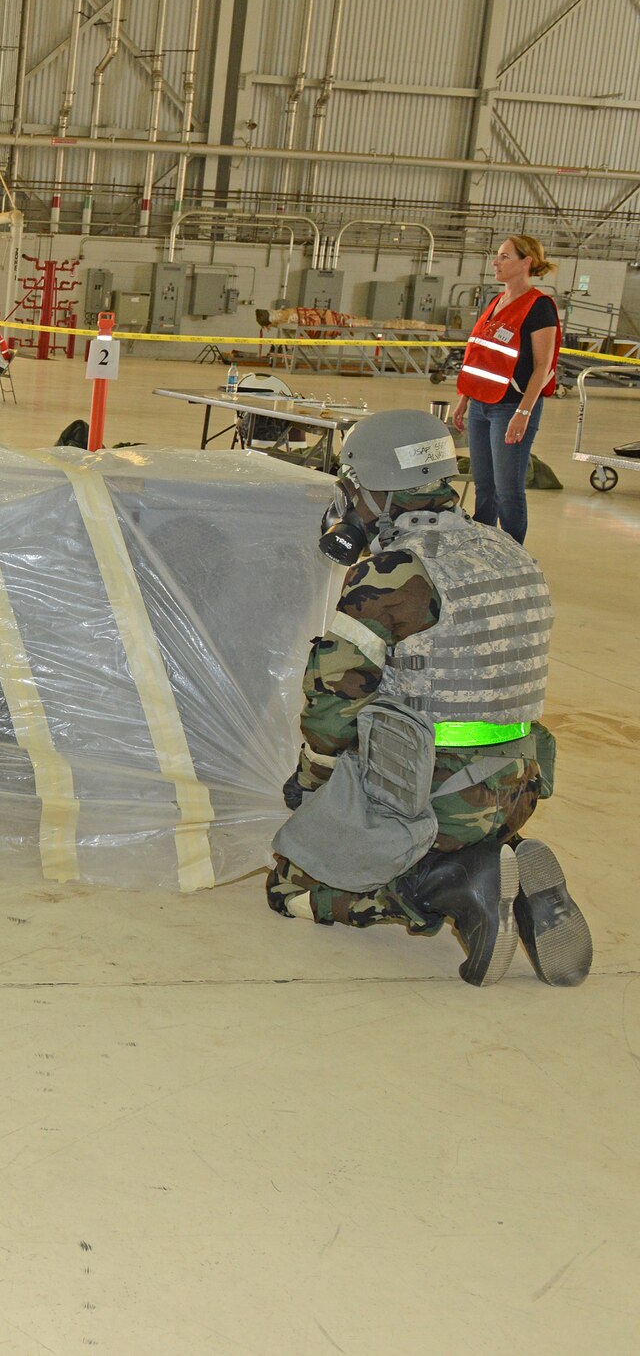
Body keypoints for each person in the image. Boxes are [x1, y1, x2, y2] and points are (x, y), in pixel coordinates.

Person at [266, 410, 588, 988]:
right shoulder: (509, 551)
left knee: (291, 886)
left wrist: (312, 788)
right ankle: (495, 852)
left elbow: (333, 706)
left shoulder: (393, 572)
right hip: (517, 783)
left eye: (354, 488)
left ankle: (450, 886)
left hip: (432, 793)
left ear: (377, 491)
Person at [450, 234, 559, 544]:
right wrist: (463, 401)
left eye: (504, 257)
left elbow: (543, 365)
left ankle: (513, 555)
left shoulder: (539, 307)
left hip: (511, 408)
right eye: (497, 256)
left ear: (527, 262)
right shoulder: (497, 302)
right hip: (480, 405)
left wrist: (523, 412)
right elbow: (481, 357)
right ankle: (483, 546)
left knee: (508, 488)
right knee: (484, 484)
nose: (495, 262)